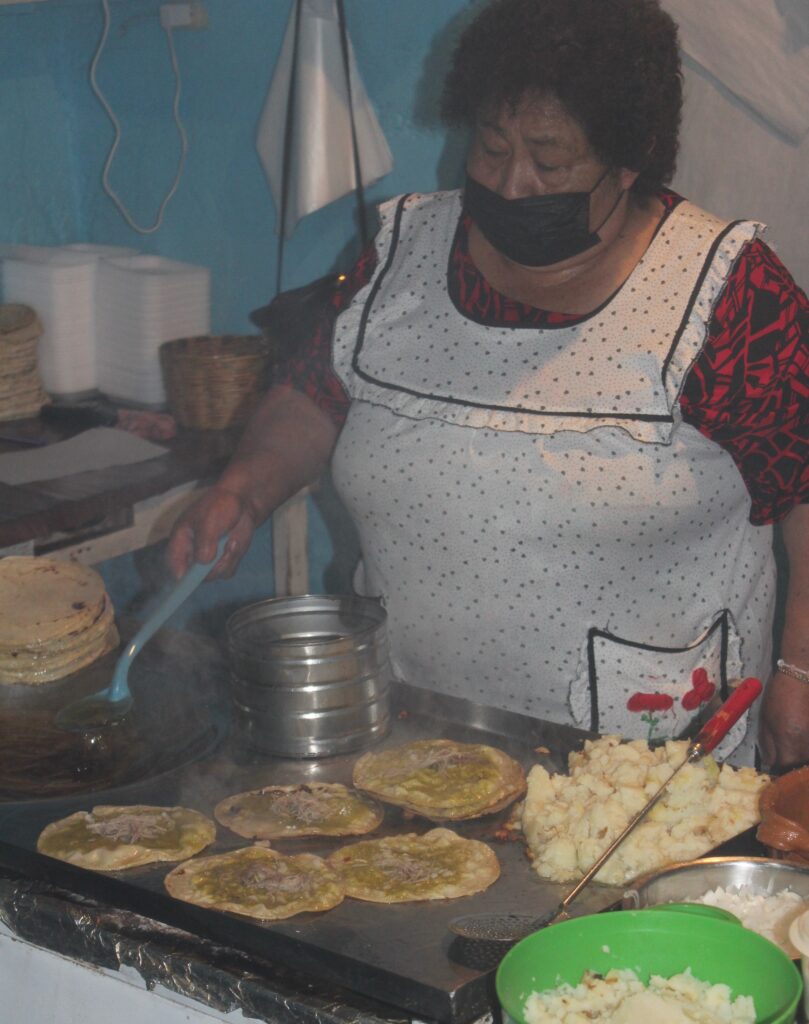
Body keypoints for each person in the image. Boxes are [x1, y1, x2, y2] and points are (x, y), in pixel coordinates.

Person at [169, 0, 808, 769]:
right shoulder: (400, 253)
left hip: (640, 763)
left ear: (629, 159)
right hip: (411, 733)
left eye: (549, 160)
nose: (511, 182)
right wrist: (245, 486)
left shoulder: (727, 292)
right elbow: (317, 390)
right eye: (492, 146)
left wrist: (798, 671)